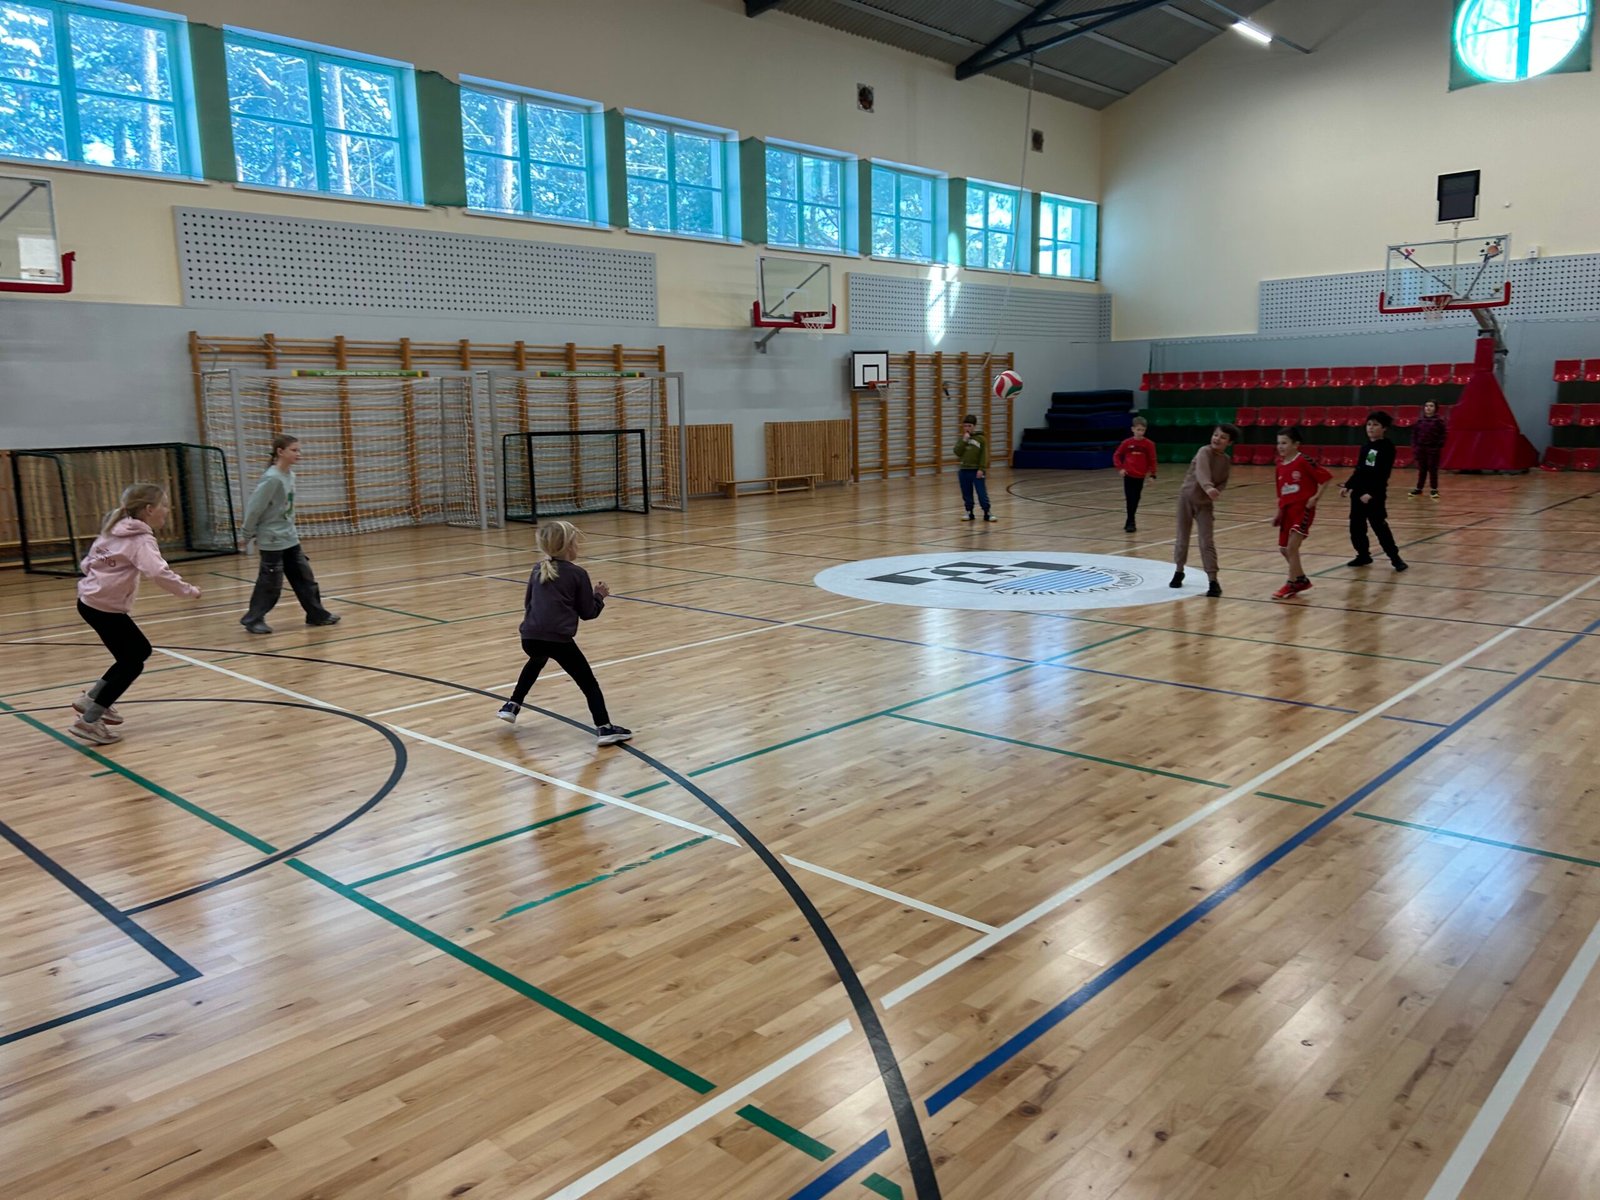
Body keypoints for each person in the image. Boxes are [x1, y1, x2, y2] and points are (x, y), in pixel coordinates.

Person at [70, 483, 202, 745]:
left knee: (135, 654)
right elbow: (158, 573)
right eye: (164, 505)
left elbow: (88, 561)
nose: (168, 510)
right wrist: (188, 591)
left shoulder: (114, 526)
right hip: (104, 607)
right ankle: (90, 720)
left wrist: (97, 578)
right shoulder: (140, 539)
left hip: (89, 601)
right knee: (133, 660)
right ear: (149, 509)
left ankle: (93, 699)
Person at [497, 519, 633, 746]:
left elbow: (528, 603)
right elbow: (588, 613)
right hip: (558, 640)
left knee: (537, 660)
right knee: (588, 683)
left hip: (529, 636)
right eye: (576, 542)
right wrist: (599, 596)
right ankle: (605, 728)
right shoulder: (577, 574)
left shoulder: (538, 568)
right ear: (569, 546)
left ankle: (512, 705)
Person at [239, 434, 340, 634]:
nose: (298, 454)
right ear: (280, 452)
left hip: (289, 537)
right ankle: (253, 619)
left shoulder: (290, 475)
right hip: (272, 539)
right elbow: (254, 508)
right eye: (294, 450)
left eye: (299, 450)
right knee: (270, 583)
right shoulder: (272, 478)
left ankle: (316, 614)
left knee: (304, 577)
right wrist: (246, 534)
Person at [1170, 423, 1240, 598]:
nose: (1218, 439)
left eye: (1223, 437)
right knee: (1182, 537)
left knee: (1206, 541)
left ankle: (1213, 580)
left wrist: (1217, 491)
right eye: (1216, 435)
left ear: (1229, 442)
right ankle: (1179, 571)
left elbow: (1223, 481)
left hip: (1205, 504)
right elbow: (1202, 472)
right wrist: (1208, 487)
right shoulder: (1204, 451)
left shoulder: (1226, 460)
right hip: (1187, 499)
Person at [1270, 427, 1332, 600]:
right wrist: (1278, 513)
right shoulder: (1280, 466)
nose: (1280, 446)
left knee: (1292, 547)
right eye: (1278, 443)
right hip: (1287, 512)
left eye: (1284, 443)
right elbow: (1281, 493)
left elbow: (1326, 478)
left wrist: (1316, 498)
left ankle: (1291, 583)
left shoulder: (1304, 461)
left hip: (1303, 510)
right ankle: (1301, 579)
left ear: (1296, 444)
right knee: (1284, 549)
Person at [1343, 411, 1408, 571]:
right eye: (1369, 424)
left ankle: (1395, 558)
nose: (1371, 428)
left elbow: (1382, 474)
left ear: (1384, 428)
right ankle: (1363, 555)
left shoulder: (1387, 448)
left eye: (1375, 424)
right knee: (1356, 527)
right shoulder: (1366, 447)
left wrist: (1371, 493)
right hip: (1358, 493)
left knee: (1379, 527)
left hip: (1375, 495)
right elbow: (1360, 470)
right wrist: (1348, 485)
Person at [1113, 414, 1157, 533]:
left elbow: (1152, 460)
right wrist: (1120, 468)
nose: (1140, 432)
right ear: (1133, 429)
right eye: (1138, 429)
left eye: (1142, 430)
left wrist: (1152, 475)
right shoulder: (1127, 443)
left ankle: (1130, 520)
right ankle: (1131, 521)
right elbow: (1117, 455)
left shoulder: (1149, 444)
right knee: (1129, 498)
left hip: (1140, 476)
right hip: (1128, 475)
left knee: (1136, 498)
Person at [952, 415, 995, 522]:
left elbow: (984, 455)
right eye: (965, 426)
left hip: (976, 470)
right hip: (964, 470)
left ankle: (987, 512)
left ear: (974, 426)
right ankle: (969, 511)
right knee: (966, 493)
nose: (967, 428)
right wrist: (964, 440)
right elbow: (957, 452)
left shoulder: (981, 439)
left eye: (969, 426)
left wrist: (981, 468)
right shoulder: (962, 439)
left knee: (981, 492)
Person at [1410, 399, 1447, 499]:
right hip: (1421, 449)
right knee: (1422, 470)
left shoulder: (1439, 422)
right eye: (1426, 406)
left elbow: (1443, 435)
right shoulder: (1419, 421)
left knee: (1433, 470)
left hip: (1433, 450)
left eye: (1431, 406)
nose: (1428, 408)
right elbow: (1414, 435)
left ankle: (1434, 489)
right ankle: (1419, 488)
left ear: (1435, 408)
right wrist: (1415, 447)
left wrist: (1437, 446)